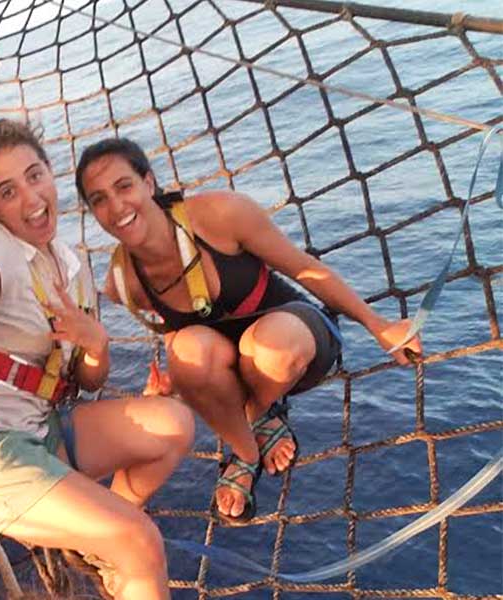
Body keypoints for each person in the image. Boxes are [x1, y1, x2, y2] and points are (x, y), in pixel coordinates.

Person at [75, 137, 422, 523]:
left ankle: (258, 412)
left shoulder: (221, 215)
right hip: (230, 367)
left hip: (296, 342)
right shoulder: (123, 283)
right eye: (99, 199)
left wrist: (378, 325)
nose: (116, 206)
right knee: (188, 352)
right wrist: (180, 380)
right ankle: (245, 451)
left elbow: (304, 268)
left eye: (124, 186)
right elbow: (179, 333)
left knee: (273, 344)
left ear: (149, 183)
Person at [0, 120, 195, 600]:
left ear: (50, 172)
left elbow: (89, 381)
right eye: (8, 191)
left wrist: (96, 346)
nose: (30, 198)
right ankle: (120, 546)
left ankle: (98, 542)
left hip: (44, 428)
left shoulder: (72, 264)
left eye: (34, 175)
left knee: (174, 423)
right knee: (141, 542)